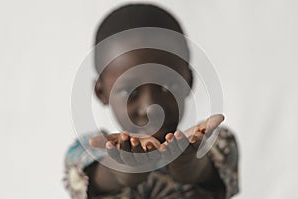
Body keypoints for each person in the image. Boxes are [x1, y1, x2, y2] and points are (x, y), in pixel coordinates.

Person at [63, 3, 239, 199]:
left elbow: (202, 172)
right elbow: (105, 176)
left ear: (188, 81)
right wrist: (124, 167)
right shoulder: (86, 150)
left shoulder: (214, 142)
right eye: (130, 90)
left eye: (168, 87)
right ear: (101, 92)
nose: (151, 108)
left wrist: (188, 161)